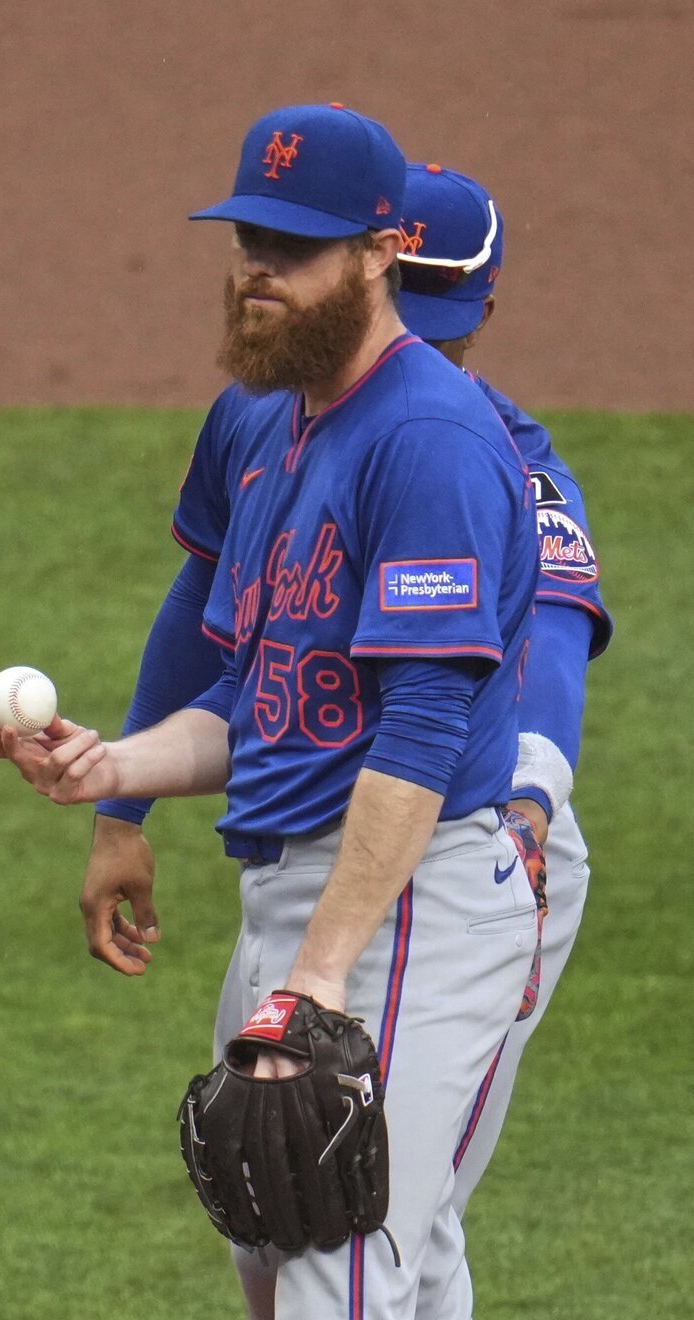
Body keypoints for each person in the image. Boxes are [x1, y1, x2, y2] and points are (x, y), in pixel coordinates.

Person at [0, 105, 541, 1319]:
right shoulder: (264, 417)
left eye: (295, 249)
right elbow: (266, 702)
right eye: (250, 239)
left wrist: (323, 973)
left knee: (335, 1261)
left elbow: (419, 726)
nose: (259, 271)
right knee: (286, 1239)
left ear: (380, 252)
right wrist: (113, 770)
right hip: (289, 893)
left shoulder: (431, 442)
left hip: (410, 903)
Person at [389, 161, 613, 1311]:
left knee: (399, 1212)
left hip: (492, 845)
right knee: (281, 1203)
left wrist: (527, 805)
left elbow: (553, 648)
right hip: (345, 841)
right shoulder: (290, 430)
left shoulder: (519, 462)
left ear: (481, 311)